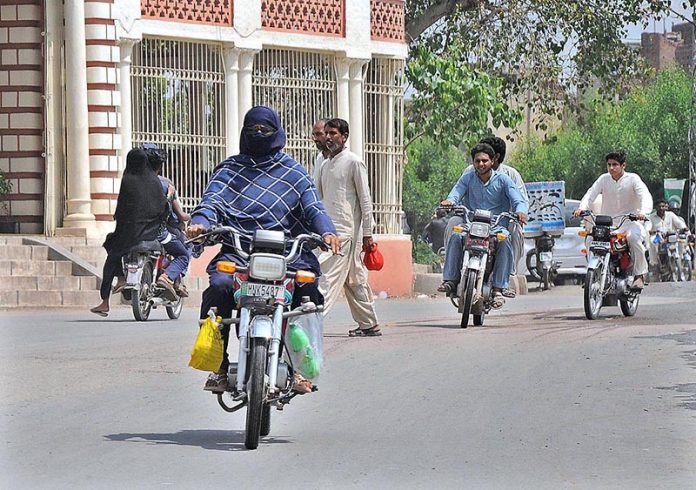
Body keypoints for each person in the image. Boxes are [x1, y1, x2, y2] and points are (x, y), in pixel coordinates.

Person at [186, 106, 340, 393]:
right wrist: (199, 223)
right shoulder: (230, 170)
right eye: (253, 130)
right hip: (240, 251)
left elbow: (314, 207)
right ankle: (219, 368)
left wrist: (327, 232)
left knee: (307, 291)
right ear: (244, 133)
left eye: (264, 130)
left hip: (287, 254)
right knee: (219, 287)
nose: (258, 135)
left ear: (277, 133)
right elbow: (211, 202)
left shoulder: (294, 173)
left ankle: (300, 369)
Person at [312, 118, 381, 337]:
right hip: (329, 232)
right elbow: (320, 198)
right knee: (354, 281)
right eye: (327, 134)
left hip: (347, 234)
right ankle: (369, 324)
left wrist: (368, 234)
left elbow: (365, 200)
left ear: (344, 136)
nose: (329, 138)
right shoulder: (324, 163)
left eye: (334, 134)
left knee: (325, 279)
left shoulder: (353, 162)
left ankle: (309, 323)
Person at [439, 143, 528, 309]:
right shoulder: (468, 178)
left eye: (485, 161)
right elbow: (456, 192)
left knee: (504, 240)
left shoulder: (503, 180)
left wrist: (521, 211)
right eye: (477, 161)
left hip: (496, 226)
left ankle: (499, 288)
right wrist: (449, 202)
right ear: (473, 162)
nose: (481, 164)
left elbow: (518, 199)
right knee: (456, 235)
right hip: (471, 224)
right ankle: (450, 280)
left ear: (493, 161)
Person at [90, 148, 168, 316]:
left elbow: (121, 208)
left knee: (112, 251)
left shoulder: (128, 179)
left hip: (128, 234)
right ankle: (122, 279)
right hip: (150, 233)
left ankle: (106, 300)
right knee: (114, 245)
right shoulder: (154, 181)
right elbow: (163, 207)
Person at [573, 150, 652, 289]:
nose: (611, 168)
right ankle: (593, 273)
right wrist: (581, 208)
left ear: (623, 165)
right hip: (608, 225)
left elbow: (645, 196)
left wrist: (643, 212)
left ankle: (639, 275)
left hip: (630, 223)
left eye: (615, 164)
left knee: (633, 238)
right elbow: (590, 194)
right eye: (609, 165)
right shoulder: (604, 179)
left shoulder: (633, 179)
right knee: (591, 239)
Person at [143, 144, 192, 299]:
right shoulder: (165, 184)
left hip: (133, 233)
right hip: (160, 232)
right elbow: (179, 216)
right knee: (185, 250)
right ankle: (169, 277)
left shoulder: (130, 181)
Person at [649, 198, 687, 276]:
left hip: (670, 236)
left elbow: (679, 223)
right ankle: (655, 263)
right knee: (652, 243)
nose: (661, 208)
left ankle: (680, 258)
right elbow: (647, 228)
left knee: (681, 240)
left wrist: (684, 228)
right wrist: (652, 232)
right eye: (659, 206)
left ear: (666, 207)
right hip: (658, 237)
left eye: (663, 206)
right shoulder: (651, 217)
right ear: (656, 207)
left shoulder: (670, 215)